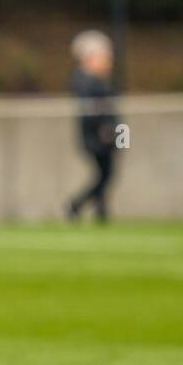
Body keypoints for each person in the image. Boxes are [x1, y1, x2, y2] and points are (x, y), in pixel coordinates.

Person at [65, 29, 119, 222]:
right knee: (105, 174)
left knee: (106, 174)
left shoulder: (98, 80)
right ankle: (76, 205)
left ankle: (100, 211)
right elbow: (92, 111)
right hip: (97, 137)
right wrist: (104, 130)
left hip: (108, 135)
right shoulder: (85, 80)